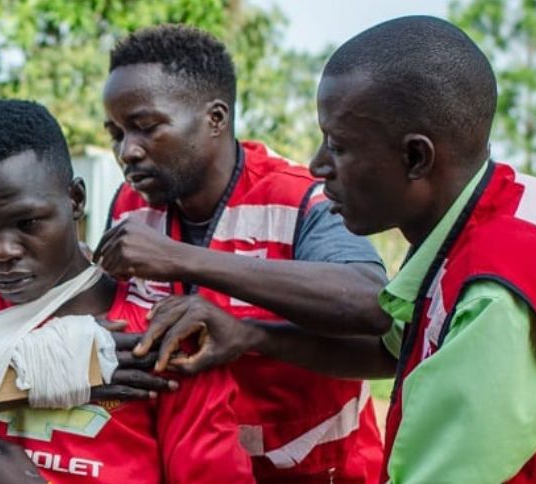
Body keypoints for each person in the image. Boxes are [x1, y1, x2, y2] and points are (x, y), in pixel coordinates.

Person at [140, 16, 536, 482]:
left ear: (416, 157)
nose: (318, 166)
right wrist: (250, 336)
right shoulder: (518, 203)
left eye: (338, 146)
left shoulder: (490, 296)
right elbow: (390, 350)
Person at [0, 99, 253, 483]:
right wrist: (32, 373)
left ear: (75, 200)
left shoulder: (161, 337)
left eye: (27, 222)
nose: (2, 251)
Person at [92, 24, 386, 481]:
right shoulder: (130, 209)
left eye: (146, 127)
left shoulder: (301, 198)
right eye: (117, 133)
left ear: (215, 118)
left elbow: (373, 303)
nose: (127, 151)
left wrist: (181, 258)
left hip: (319, 471)